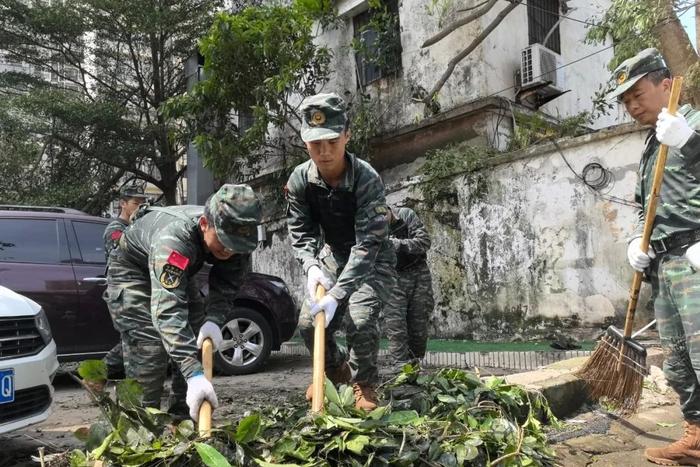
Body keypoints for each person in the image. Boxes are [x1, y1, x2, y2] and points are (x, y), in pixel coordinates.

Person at [609, 48, 700, 465]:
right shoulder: (652, 144)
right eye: (625, 100)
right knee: (678, 359)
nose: (631, 105)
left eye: (637, 94)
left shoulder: (692, 126)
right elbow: (646, 207)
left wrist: (690, 144)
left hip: (695, 258)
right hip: (664, 267)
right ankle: (696, 434)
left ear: (666, 85)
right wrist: (637, 243)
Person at [105, 183, 262, 421]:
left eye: (235, 246)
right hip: (132, 271)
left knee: (197, 333)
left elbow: (227, 284)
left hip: (181, 270)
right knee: (150, 347)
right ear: (204, 224)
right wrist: (194, 375)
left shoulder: (238, 237)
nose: (229, 251)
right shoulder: (174, 239)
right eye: (223, 241)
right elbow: (167, 310)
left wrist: (213, 320)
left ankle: (183, 418)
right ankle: (139, 425)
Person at [285, 92, 396, 411]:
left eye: (332, 141)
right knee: (309, 322)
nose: (324, 151)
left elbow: (368, 244)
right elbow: (301, 231)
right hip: (332, 256)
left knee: (359, 318)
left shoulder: (366, 178)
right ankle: (335, 370)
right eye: (315, 143)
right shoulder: (299, 181)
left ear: (347, 135)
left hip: (371, 258)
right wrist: (311, 266)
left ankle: (364, 385)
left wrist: (338, 295)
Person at [101, 183, 149, 380]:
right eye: (135, 203)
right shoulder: (116, 229)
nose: (139, 207)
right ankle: (101, 374)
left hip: (137, 290)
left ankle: (99, 376)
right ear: (123, 204)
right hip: (124, 292)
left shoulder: (135, 227)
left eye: (142, 203)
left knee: (135, 339)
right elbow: (126, 254)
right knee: (133, 339)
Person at [383, 206, 434, 373]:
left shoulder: (406, 215)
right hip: (392, 277)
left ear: (388, 209)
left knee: (419, 325)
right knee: (396, 326)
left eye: (384, 215)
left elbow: (425, 241)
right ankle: (398, 369)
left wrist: (399, 244)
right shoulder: (369, 226)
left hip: (418, 273)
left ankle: (415, 364)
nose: (381, 221)